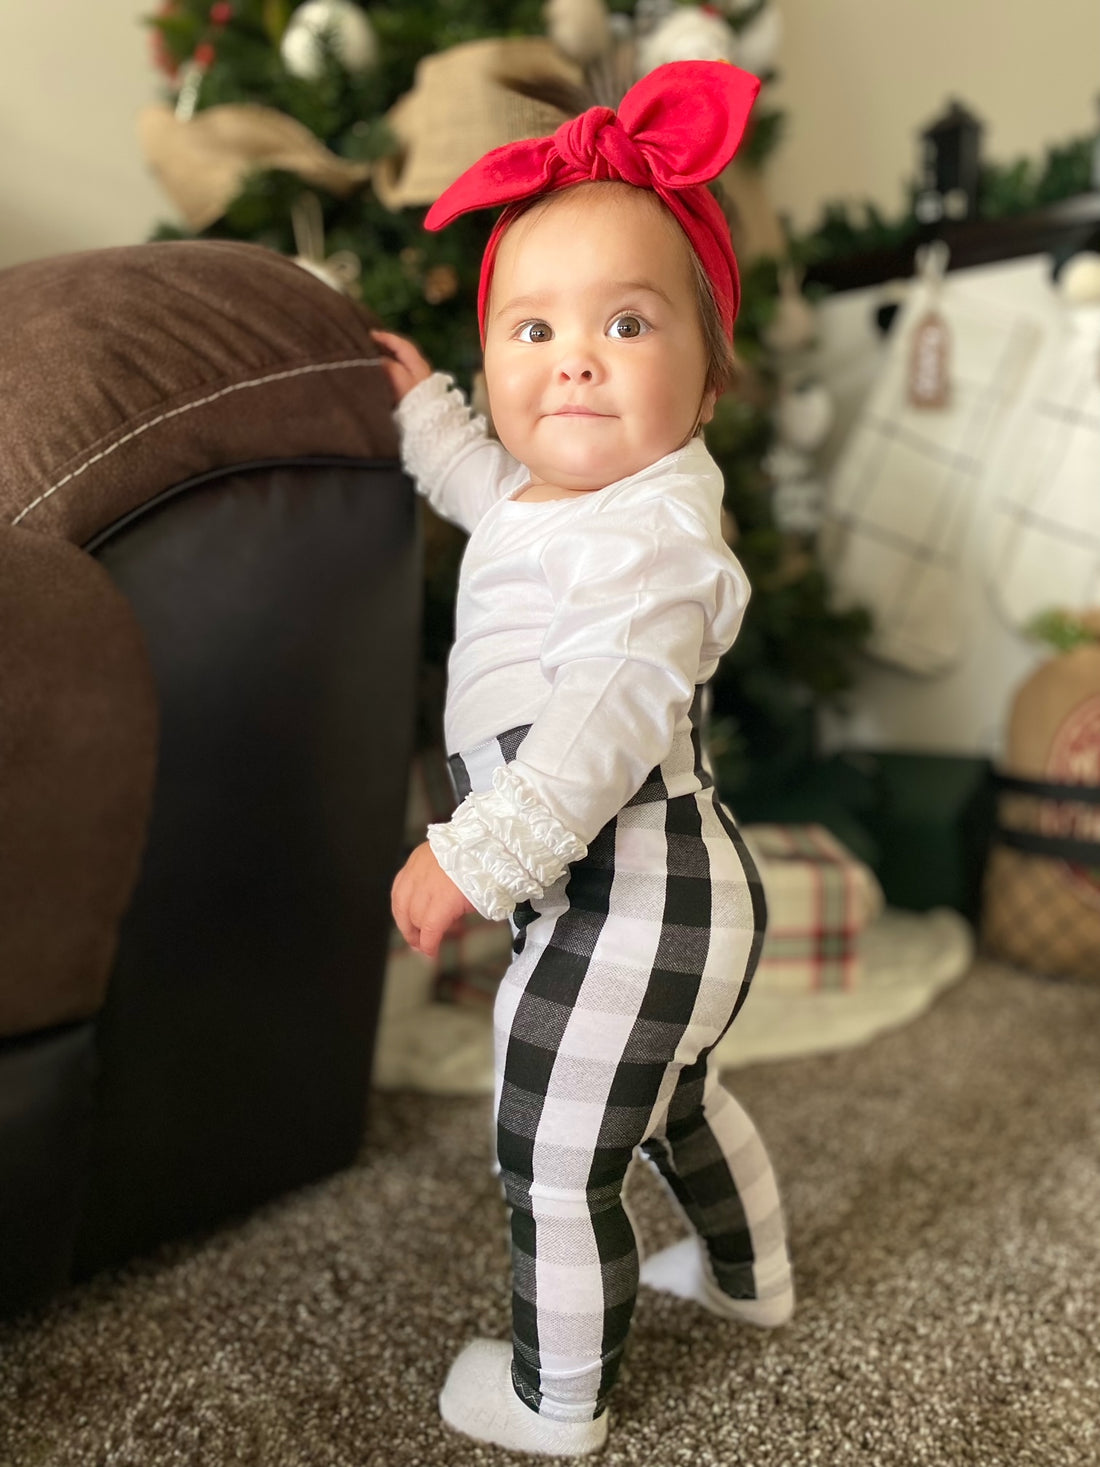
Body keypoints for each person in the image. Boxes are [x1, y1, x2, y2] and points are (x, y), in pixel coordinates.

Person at [376, 60, 794, 1458]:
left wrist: (470, 851)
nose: (574, 359)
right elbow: (488, 487)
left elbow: (603, 722)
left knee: (551, 1158)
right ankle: (753, 1280)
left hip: (634, 882)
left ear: (709, 371)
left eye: (626, 322)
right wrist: (425, 409)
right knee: (676, 1106)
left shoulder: (661, 543)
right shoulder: (557, 504)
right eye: (533, 326)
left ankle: (558, 1399)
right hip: (648, 893)